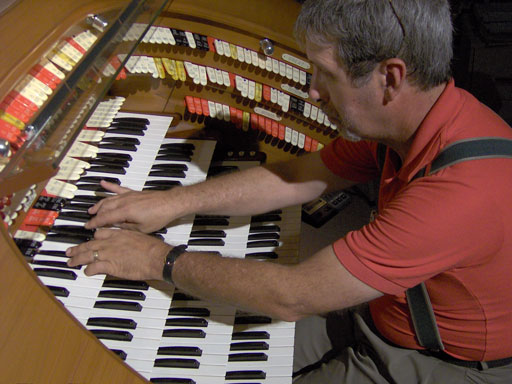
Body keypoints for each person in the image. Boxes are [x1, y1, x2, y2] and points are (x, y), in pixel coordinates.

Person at [67, 0, 512, 382]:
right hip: (382, 310)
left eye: (325, 74)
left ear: (389, 78)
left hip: (442, 363)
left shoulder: (460, 192)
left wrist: (153, 258)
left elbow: (294, 294)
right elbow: (296, 176)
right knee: (202, 338)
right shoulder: (413, 120)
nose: (314, 92)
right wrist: (172, 202)